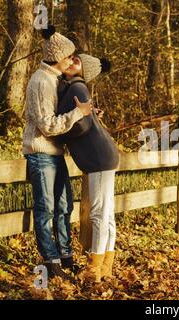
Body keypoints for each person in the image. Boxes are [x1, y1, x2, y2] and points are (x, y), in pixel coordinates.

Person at [22, 25, 92, 279]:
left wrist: (86, 117)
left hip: (54, 154)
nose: (73, 60)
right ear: (58, 58)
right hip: (41, 153)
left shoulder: (55, 79)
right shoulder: (41, 81)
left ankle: (65, 256)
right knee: (46, 209)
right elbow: (49, 125)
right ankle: (51, 262)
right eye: (70, 56)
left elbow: (64, 114)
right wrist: (77, 114)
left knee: (64, 206)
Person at [56, 54, 119, 283]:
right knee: (106, 215)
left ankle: (94, 269)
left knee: (99, 214)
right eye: (72, 59)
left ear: (84, 71)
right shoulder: (74, 87)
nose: (71, 62)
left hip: (99, 159)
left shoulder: (78, 88)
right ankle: (105, 267)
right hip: (102, 158)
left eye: (77, 62)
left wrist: (60, 131)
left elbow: (81, 126)